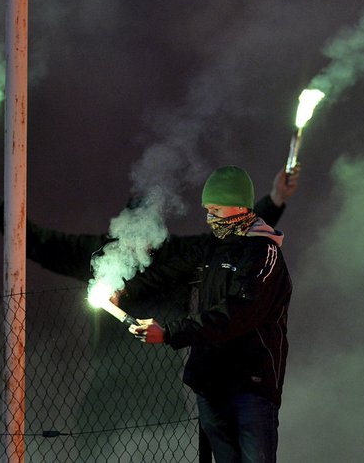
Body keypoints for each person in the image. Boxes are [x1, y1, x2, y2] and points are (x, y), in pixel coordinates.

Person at [121, 165, 292, 463]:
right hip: (212, 386)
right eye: (207, 209)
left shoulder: (264, 254)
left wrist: (170, 333)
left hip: (250, 387)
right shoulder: (211, 249)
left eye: (215, 208)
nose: (209, 216)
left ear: (239, 206)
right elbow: (168, 271)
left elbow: (238, 312)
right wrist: (121, 287)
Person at [0, 163, 300, 282]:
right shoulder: (100, 256)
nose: (141, 240)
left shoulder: (176, 255)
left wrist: (275, 199)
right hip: (107, 397)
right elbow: (37, 242)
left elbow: (230, 237)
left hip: (158, 388)